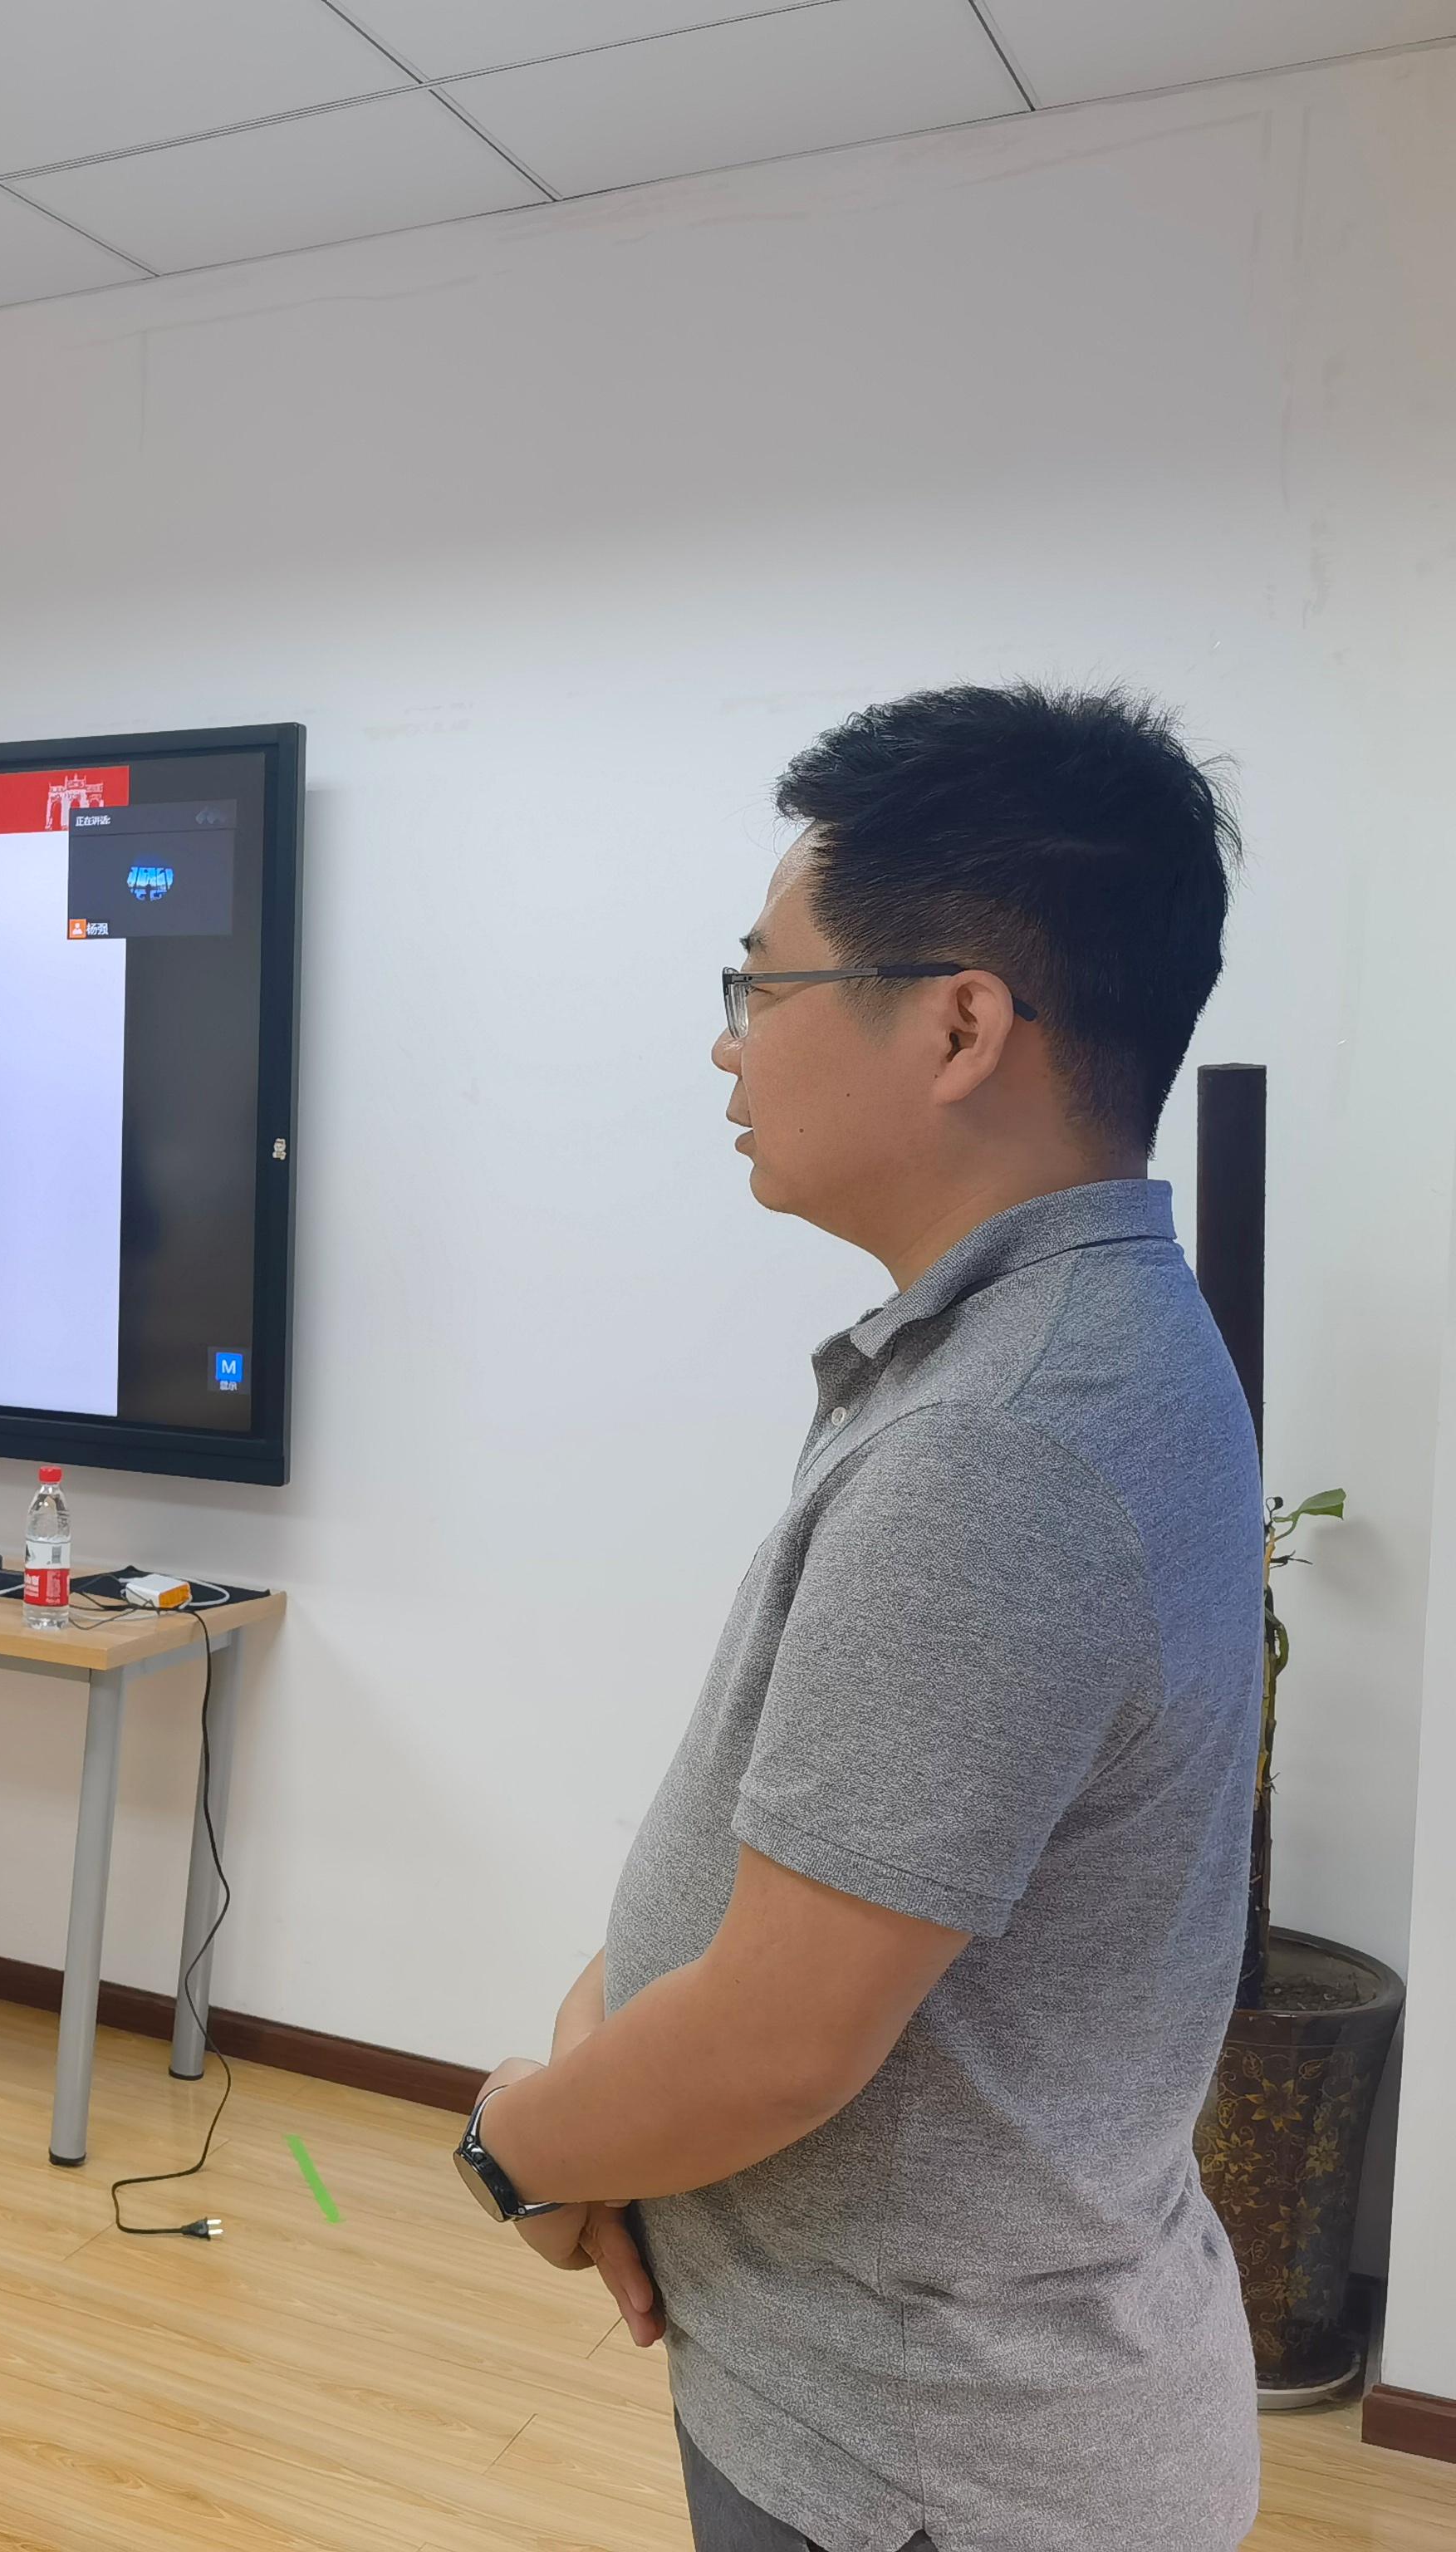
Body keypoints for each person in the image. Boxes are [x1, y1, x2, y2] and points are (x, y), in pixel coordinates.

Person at [448, 688, 1258, 2551]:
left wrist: (518, 2145)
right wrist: (607, 2059)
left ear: (959, 1024)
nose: (727, 1040)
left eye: (763, 982)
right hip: (918, 2392)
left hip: (920, 2459)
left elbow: (778, 2040)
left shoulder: (1004, 1441)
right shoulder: (1070, 1339)